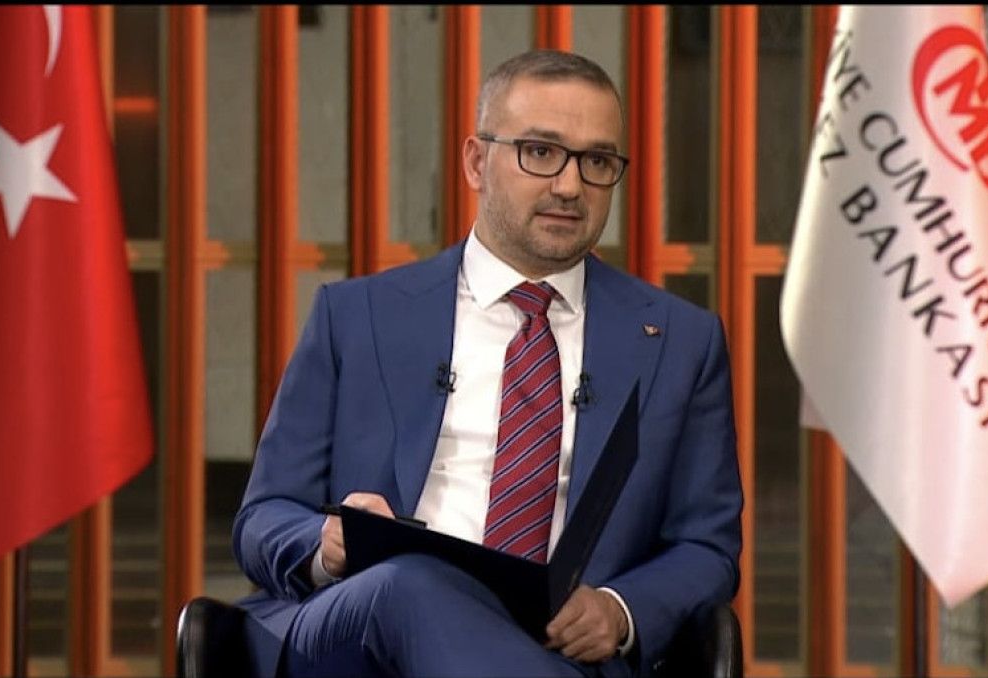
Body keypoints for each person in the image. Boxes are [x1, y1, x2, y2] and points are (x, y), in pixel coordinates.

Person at [232, 49, 743, 678]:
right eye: (540, 152)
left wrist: (618, 609)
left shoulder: (681, 343)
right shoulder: (356, 316)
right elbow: (261, 518)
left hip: (556, 652)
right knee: (407, 583)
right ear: (476, 162)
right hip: (357, 636)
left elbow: (707, 545)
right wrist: (328, 544)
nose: (569, 186)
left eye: (597, 162)